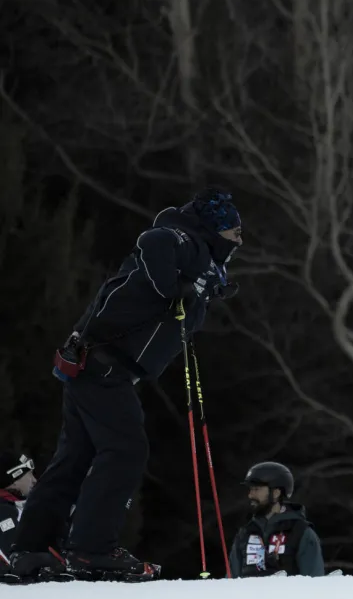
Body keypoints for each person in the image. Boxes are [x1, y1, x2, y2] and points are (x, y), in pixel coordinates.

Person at [7, 189, 243, 580]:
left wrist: (200, 291)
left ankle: (32, 549)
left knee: (75, 459)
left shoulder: (201, 261)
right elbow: (155, 241)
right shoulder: (182, 238)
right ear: (216, 229)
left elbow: (175, 311)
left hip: (96, 367)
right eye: (234, 232)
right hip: (105, 368)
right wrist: (178, 287)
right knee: (126, 450)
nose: (239, 241)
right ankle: (90, 549)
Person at [229, 461, 325, 577]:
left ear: (276, 493)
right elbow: (231, 582)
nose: (250, 495)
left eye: (256, 489)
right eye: (250, 489)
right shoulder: (245, 533)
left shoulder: (301, 532)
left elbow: (314, 583)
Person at [0, 451, 38, 567]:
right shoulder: (4, 511)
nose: (34, 480)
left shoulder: (15, 506)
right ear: (15, 480)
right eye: (29, 475)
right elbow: (16, 560)